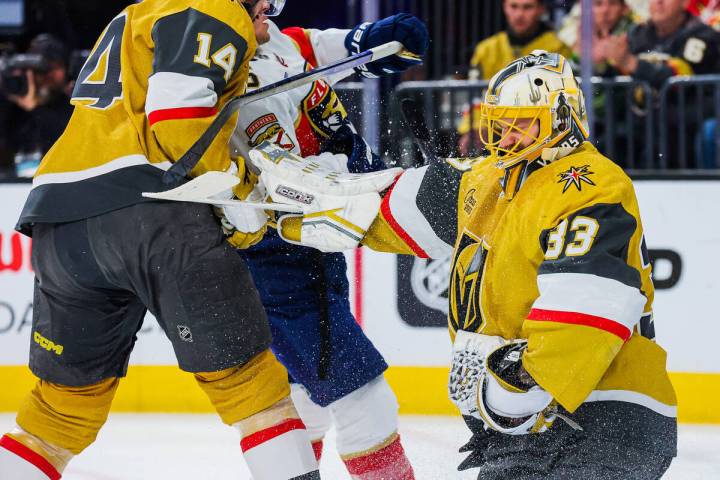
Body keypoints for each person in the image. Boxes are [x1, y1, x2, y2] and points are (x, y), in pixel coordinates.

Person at [250, 51, 678, 479]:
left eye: (522, 122)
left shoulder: (588, 183)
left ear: (563, 118)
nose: (507, 136)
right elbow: (373, 210)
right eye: (500, 122)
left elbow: (589, 306)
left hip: (607, 418)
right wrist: (280, 202)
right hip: (527, 430)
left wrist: (518, 386)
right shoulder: (489, 179)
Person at [0, 1, 325, 479]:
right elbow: (177, 118)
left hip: (60, 221)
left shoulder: (135, 14)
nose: (269, 16)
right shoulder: (214, 8)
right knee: (252, 388)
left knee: (59, 413)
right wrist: (238, 192)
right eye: (267, 6)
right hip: (153, 212)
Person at [231, 6, 427, 479]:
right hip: (275, 253)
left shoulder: (275, 39)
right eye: (258, 5)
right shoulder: (224, 73)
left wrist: (366, 40)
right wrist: (377, 182)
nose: (269, 12)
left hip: (309, 251)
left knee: (302, 395)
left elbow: (313, 45)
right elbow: (289, 183)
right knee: (366, 399)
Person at [458, 0, 572, 156]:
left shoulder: (557, 47)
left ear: (541, 9)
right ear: (505, 7)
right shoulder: (486, 49)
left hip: (540, 131)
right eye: (514, 6)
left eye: (527, 7)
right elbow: (475, 95)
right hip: (495, 129)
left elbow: (561, 96)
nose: (519, 14)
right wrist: (474, 127)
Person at [0, 34, 73, 177]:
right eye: (41, 69)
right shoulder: (12, 105)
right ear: (29, 72)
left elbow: (68, 140)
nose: (48, 75)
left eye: (56, 67)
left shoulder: (73, 106)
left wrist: (35, 108)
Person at [603, 0, 720, 86]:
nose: (659, 1)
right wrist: (600, 64)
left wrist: (630, 63)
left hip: (687, 117)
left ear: (685, 2)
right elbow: (614, 79)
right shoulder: (637, 33)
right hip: (640, 117)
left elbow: (681, 80)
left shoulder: (702, 35)